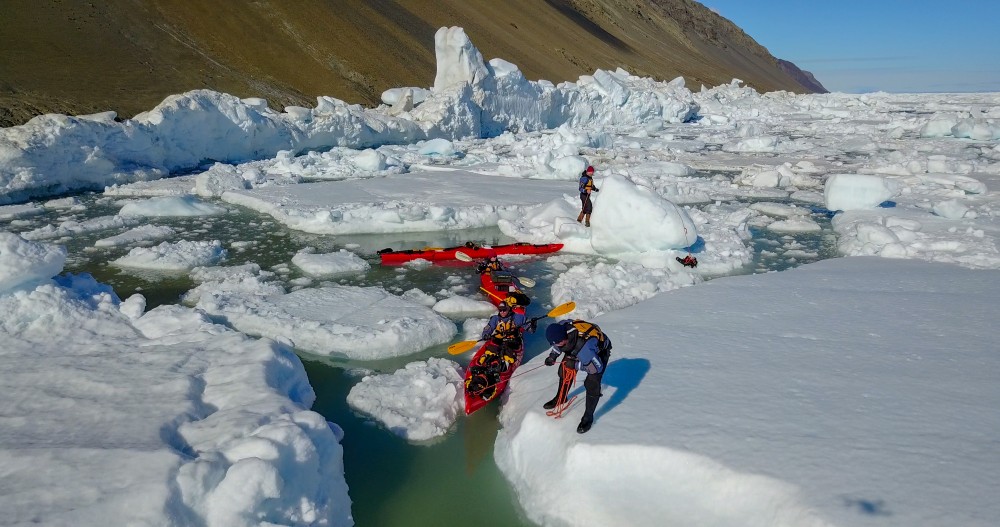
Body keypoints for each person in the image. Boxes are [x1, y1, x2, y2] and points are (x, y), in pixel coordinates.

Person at [543, 319, 613, 434]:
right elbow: (557, 345)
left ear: (563, 339)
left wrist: (575, 365)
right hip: (575, 346)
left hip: (599, 352)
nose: (555, 345)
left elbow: (596, 368)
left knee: (592, 382)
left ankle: (588, 417)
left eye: (557, 343)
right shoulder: (561, 328)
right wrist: (552, 356)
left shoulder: (585, 348)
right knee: (564, 371)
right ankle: (560, 398)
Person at [478, 297, 535, 372]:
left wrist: (533, 324)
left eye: (504, 310)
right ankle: (487, 363)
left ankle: (503, 365)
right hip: (498, 341)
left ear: (509, 309)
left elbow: (531, 330)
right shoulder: (495, 319)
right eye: (500, 310)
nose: (502, 312)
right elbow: (488, 329)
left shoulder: (517, 317)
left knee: (506, 352)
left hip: (513, 342)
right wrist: (486, 335)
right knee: (491, 351)